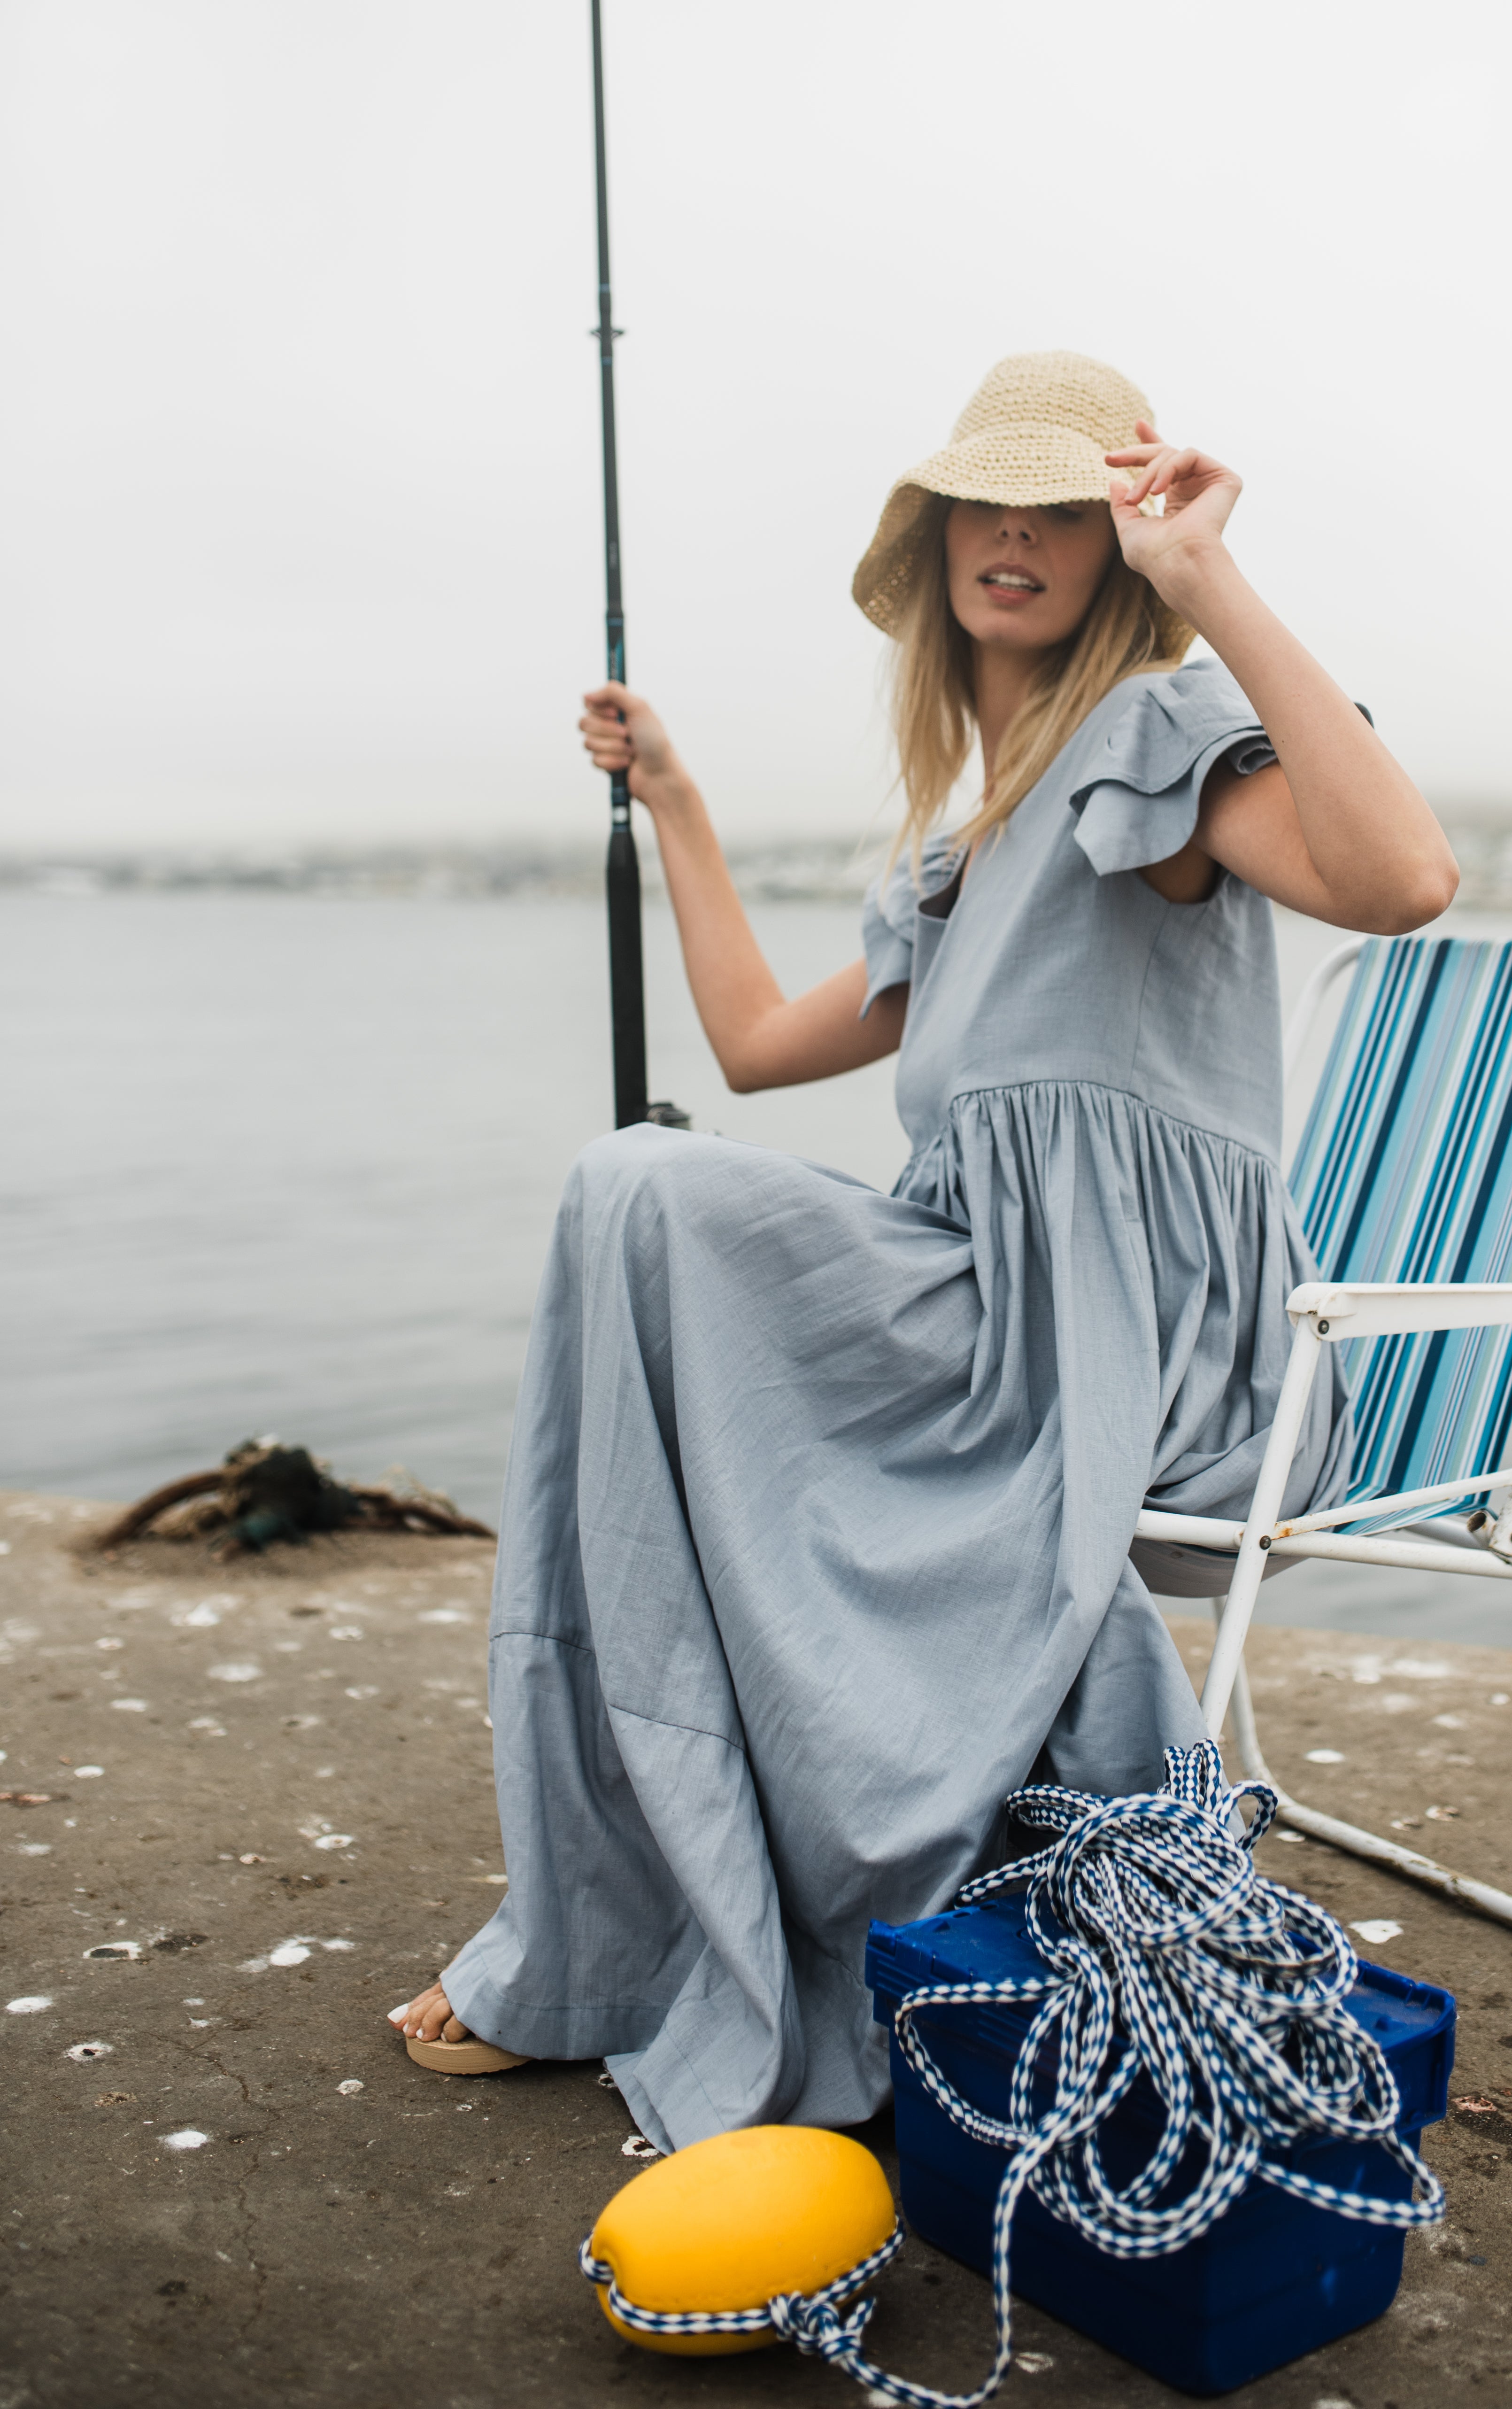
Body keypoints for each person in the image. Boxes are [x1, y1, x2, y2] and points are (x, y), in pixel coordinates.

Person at [388, 351, 1457, 2141]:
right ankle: (631, 1897)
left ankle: (653, 1907)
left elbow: (1402, 878)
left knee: (649, 1206)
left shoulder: (1156, 741)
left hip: (1137, 1343)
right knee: (641, 1194)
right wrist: (678, 802)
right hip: (980, 1306)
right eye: (992, 501)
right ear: (946, 536)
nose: (1021, 534)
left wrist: (1211, 583)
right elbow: (749, 1051)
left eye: (1066, 509)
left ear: (1114, 552)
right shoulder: (966, 856)